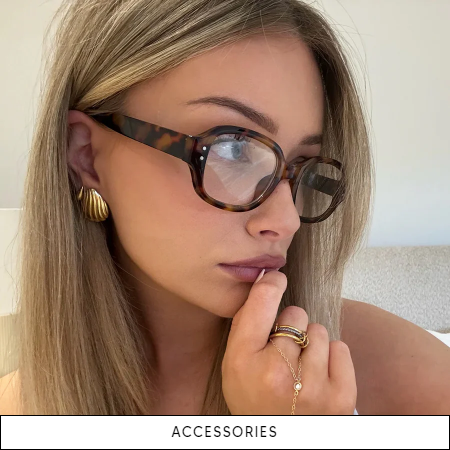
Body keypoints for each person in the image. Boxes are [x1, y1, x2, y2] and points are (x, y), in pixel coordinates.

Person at [1, 0, 449, 415]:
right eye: (233, 149)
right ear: (86, 156)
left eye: (302, 166)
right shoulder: (20, 412)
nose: (287, 220)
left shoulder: (396, 374)